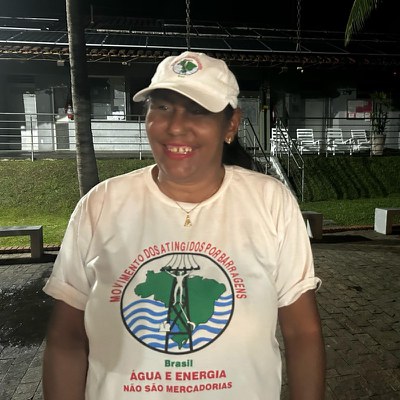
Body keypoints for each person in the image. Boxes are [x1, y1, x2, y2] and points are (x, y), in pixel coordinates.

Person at [42, 50, 326, 399]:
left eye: (198, 110)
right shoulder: (101, 205)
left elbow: (302, 333)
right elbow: (67, 338)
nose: (175, 126)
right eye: (162, 107)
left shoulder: (271, 202)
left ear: (231, 125)